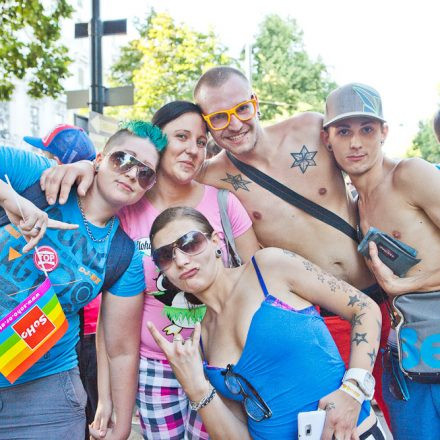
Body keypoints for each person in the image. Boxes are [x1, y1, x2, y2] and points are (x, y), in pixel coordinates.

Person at [38, 67, 391, 422]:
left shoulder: (311, 131)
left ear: (255, 103)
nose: (234, 124)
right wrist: (87, 166)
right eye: (219, 119)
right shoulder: (209, 173)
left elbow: (373, 167)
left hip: (362, 301)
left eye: (242, 109)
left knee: (386, 418)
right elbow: (145, 160)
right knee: (313, 422)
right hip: (279, 329)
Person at [90, 101, 259, 440]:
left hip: (219, 363)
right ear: (159, 144)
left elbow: (257, 288)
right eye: (182, 136)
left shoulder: (225, 204)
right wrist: (106, 397)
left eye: (201, 141)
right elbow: (109, 322)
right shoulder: (127, 209)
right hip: (155, 368)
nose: (193, 149)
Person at [146, 206, 386, 440]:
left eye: (190, 243)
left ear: (216, 241)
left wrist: (354, 391)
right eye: (165, 256)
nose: (180, 260)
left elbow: (364, 308)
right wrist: (196, 387)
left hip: (350, 432)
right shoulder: (200, 342)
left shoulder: (268, 267)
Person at [0, 120, 167, 440]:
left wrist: (120, 426)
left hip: (43, 393)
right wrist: (10, 198)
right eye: (124, 159)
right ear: (100, 158)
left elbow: (120, 350)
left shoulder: (123, 255)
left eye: (145, 173)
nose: (132, 173)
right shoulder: (38, 177)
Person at [322, 82, 440, 439]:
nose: (355, 143)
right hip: (407, 354)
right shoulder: (356, 204)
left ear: (384, 132)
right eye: (344, 131)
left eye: (367, 130)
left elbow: (403, 282)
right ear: (328, 139)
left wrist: (407, 284)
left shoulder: (410, 174)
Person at [26, 123, 100, 438]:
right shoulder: (33, 194)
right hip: (70, 333)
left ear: (60, 163)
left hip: (79, 334)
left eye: (45, 151)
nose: (38, 155)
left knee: (88, 411)